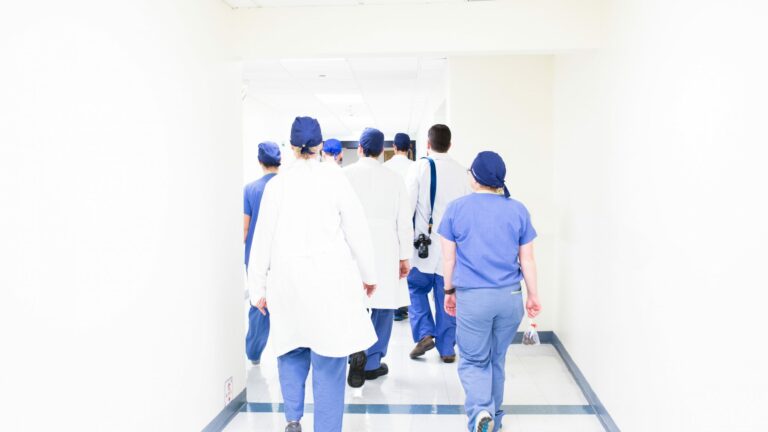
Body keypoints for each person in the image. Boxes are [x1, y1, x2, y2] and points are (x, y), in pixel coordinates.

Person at [247, 117, 378, 432]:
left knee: (291, 349)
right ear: (320, 145)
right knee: (330, 358)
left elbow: (260, 239)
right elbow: (357, 229)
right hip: (329, 283)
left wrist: (257, 290)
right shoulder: (335, 179)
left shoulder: (277, 185)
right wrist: (369, 273)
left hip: (287, 283)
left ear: (291, 148)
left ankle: (293, 419)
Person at [438, 151, 542, 432]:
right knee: (497, 358)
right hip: (509, 298)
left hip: (474, 298)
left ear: (475, 177)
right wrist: (533, 295)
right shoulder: (518, 209)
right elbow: (527, 260)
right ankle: (494, 417)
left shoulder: (456, 209)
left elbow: (449, 260)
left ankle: (480, 413)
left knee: (473, 360)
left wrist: (449, 291)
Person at [343, 128, 413, 387]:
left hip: (352, 246)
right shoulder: (394, 178)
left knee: (353, 302)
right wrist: (405, 257)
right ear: (382, 152)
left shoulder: (345, 176)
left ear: (360, 149)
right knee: (383, 306)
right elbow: (404, 222)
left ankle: (354, 350)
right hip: (385, 247)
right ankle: (371, 362)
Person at [405, 124, 471, 363]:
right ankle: (447, 349)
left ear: (428, 144)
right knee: (448, 295)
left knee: (415, 289)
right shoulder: (463, 173)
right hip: (451, 251)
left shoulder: (420, 167)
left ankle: (425, 333)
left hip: (422, 248)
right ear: (450, 145)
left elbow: (407, 207)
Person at [243, 141, 281, 365]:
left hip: (257, 255)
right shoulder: (288, 186)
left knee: (259, 303)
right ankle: (291, 352)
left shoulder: (250, 189)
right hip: (283, 254)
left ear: (260, 161)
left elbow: (245, 229)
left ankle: (254, 353)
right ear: (280, 161)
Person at [384, 132, 414, 322]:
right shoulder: (415, 167)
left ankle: (395, 307)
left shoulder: (385, 168)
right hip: (408, 220)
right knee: (407, 263)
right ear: (409, 149)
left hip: (389, 222)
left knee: (390, 263)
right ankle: (405, 305)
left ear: (394, 147)